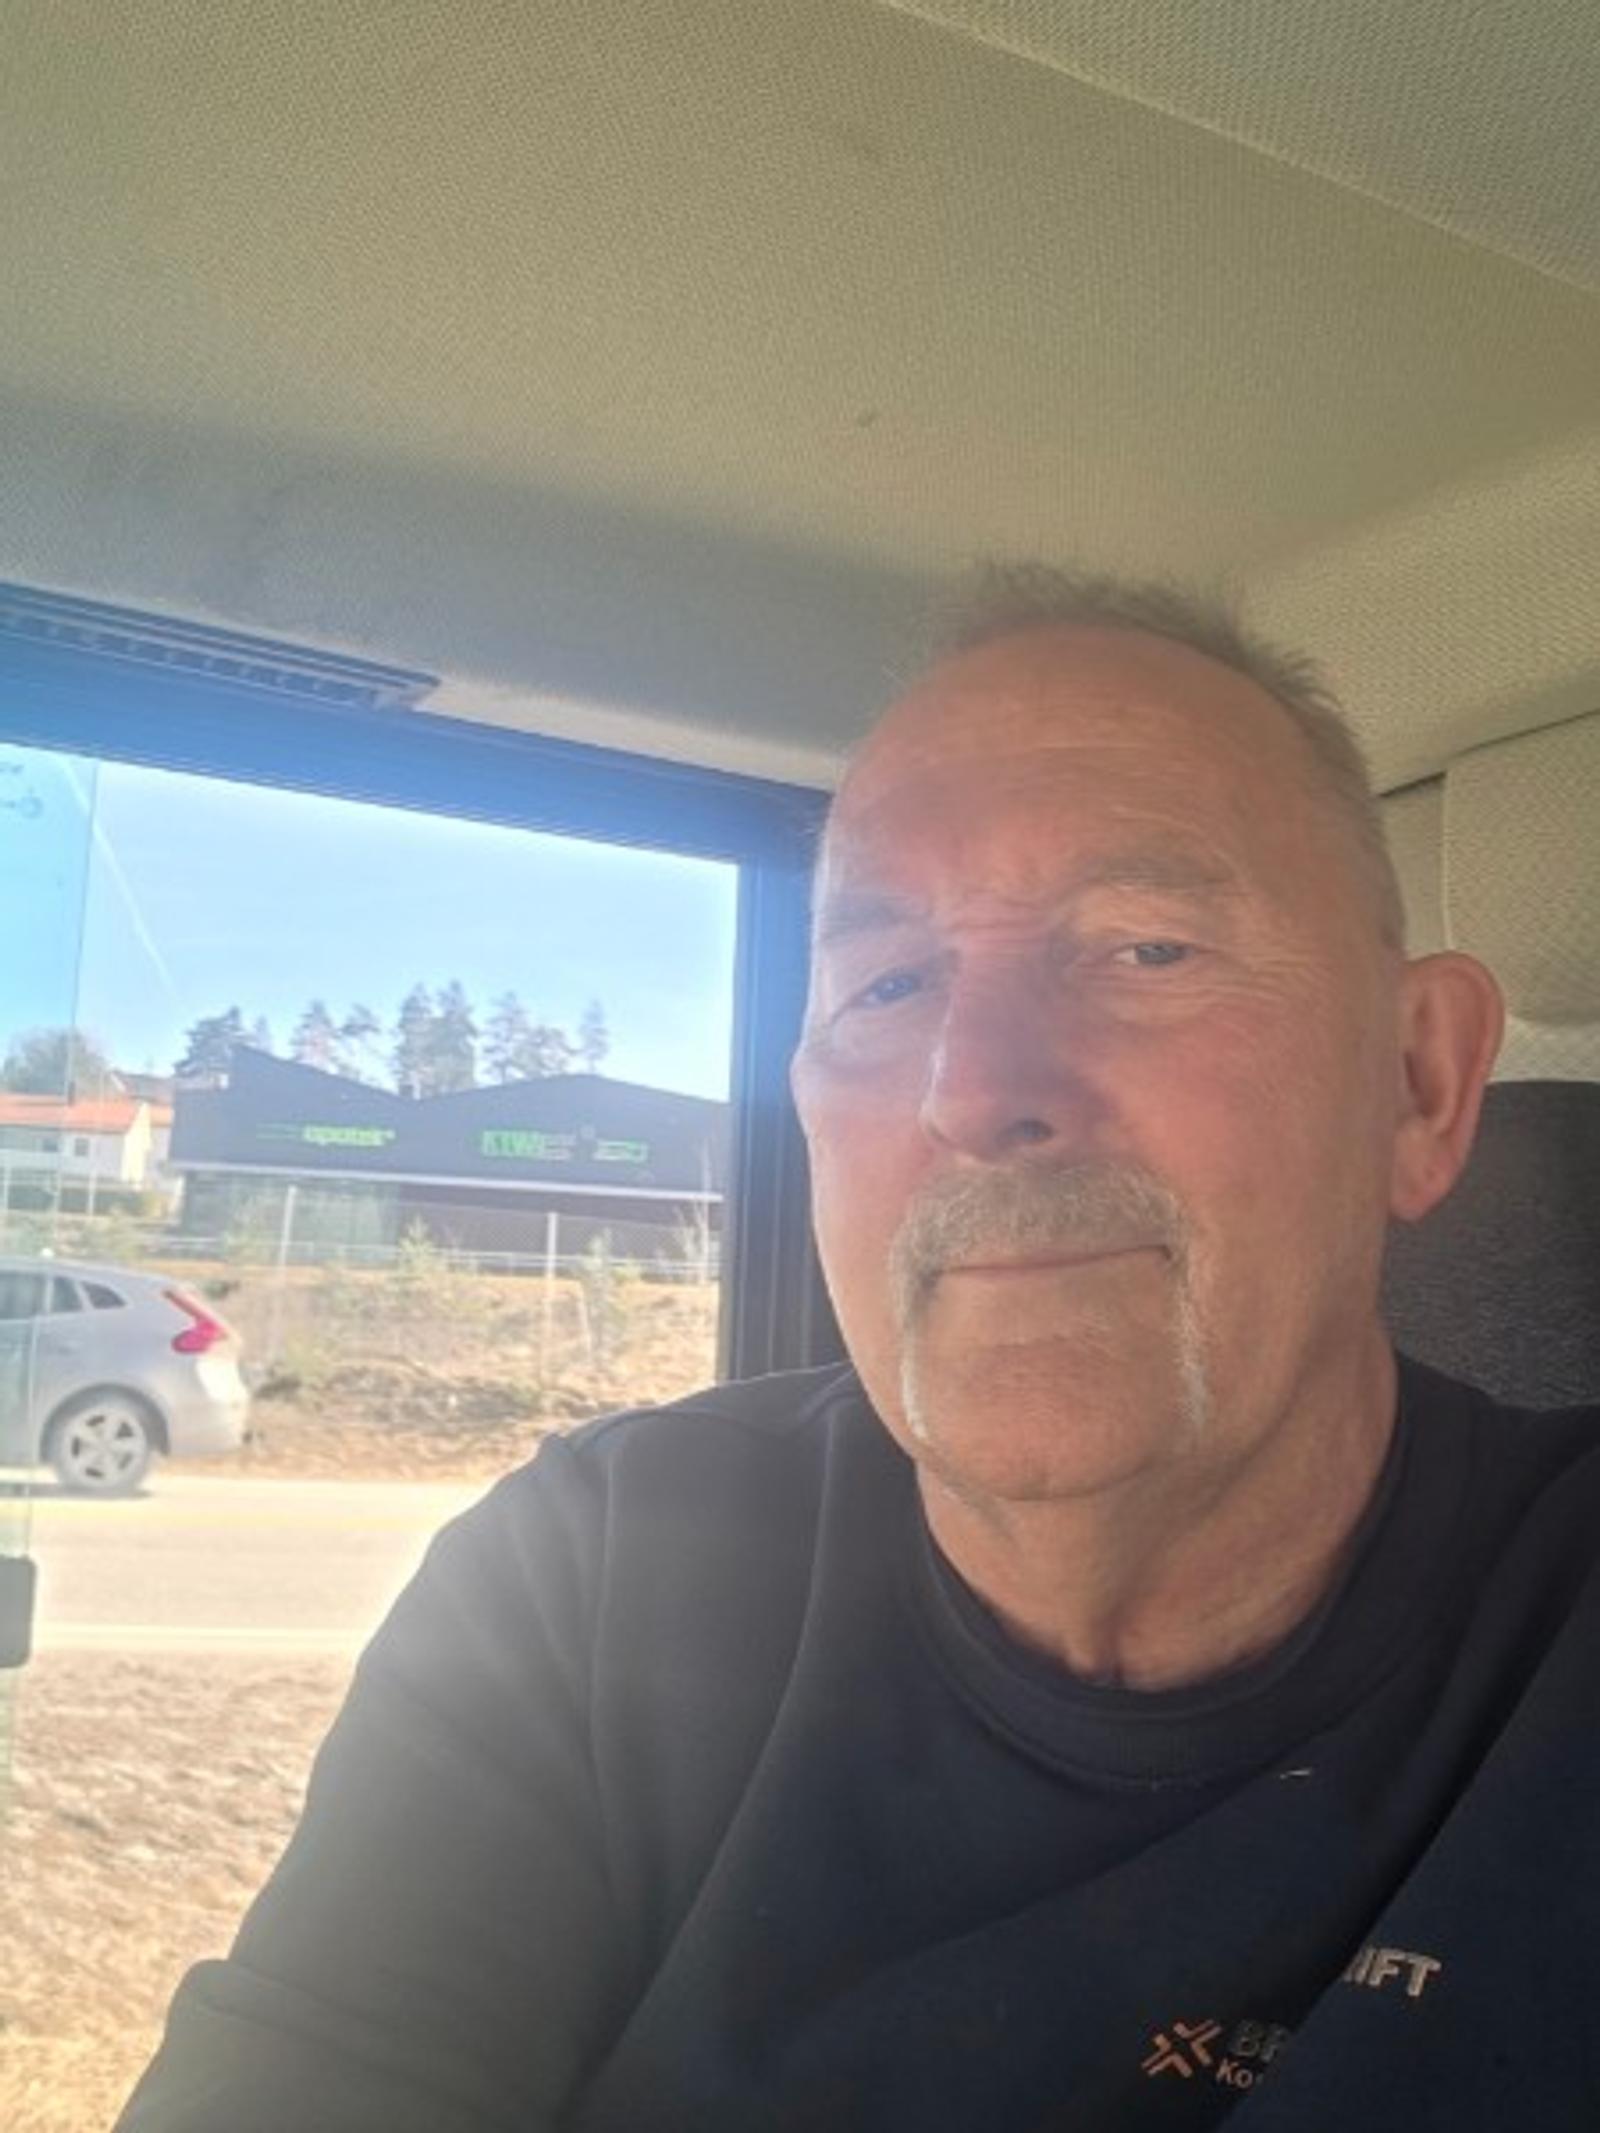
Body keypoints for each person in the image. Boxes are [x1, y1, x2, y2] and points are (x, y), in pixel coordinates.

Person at [118, 569, 1600, 2132]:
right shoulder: (600, 1581)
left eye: (1146, 948)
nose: (972, 1088)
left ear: (1420, 1086)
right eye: (886, 983)